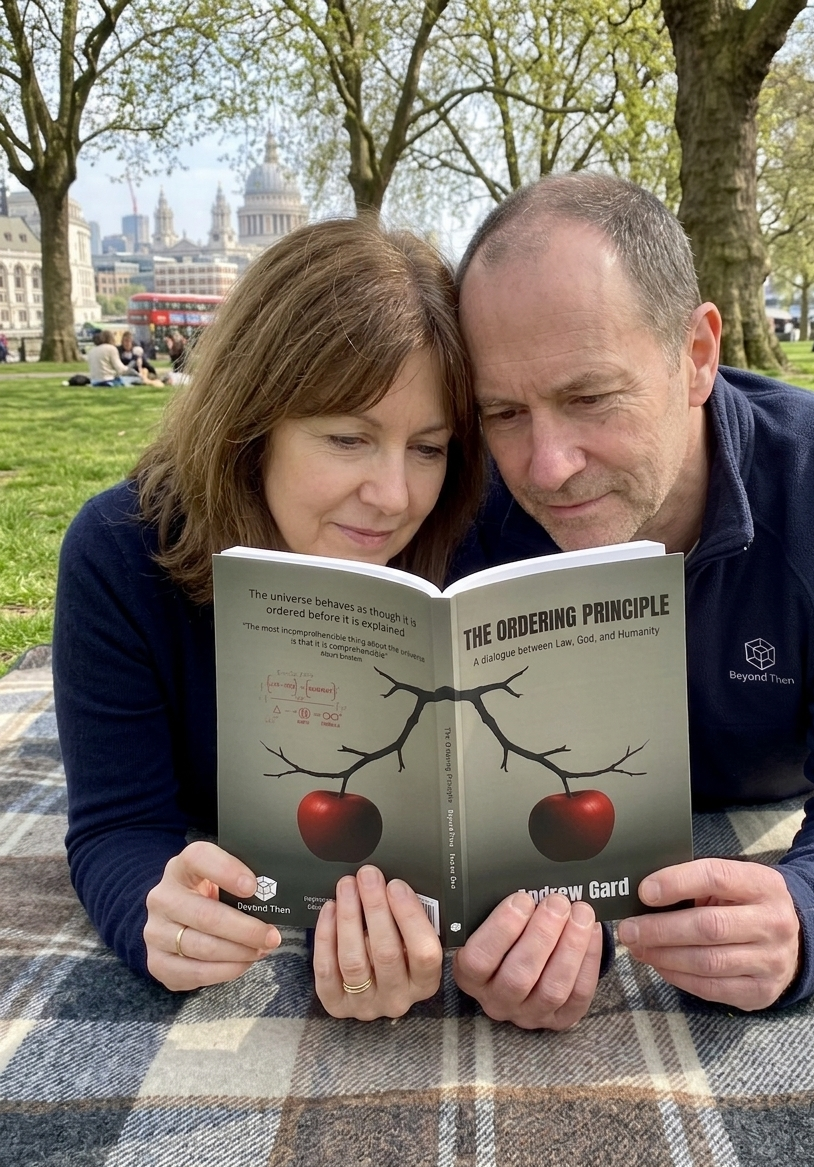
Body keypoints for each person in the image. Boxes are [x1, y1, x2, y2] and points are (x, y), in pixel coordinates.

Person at [448, 173, 814, 1024]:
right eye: (504, 413)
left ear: (697, 355)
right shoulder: (457, 506)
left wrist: (808, 915)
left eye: (590, 397)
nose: (546, 467)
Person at [54, 219, 487, 1018]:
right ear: (251, 427)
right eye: (348, 438)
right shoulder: (121, 551)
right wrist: (159, 915)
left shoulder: (470, 537)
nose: (394, 497)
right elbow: (118, 824)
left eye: (429, 448)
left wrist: (562, 938)